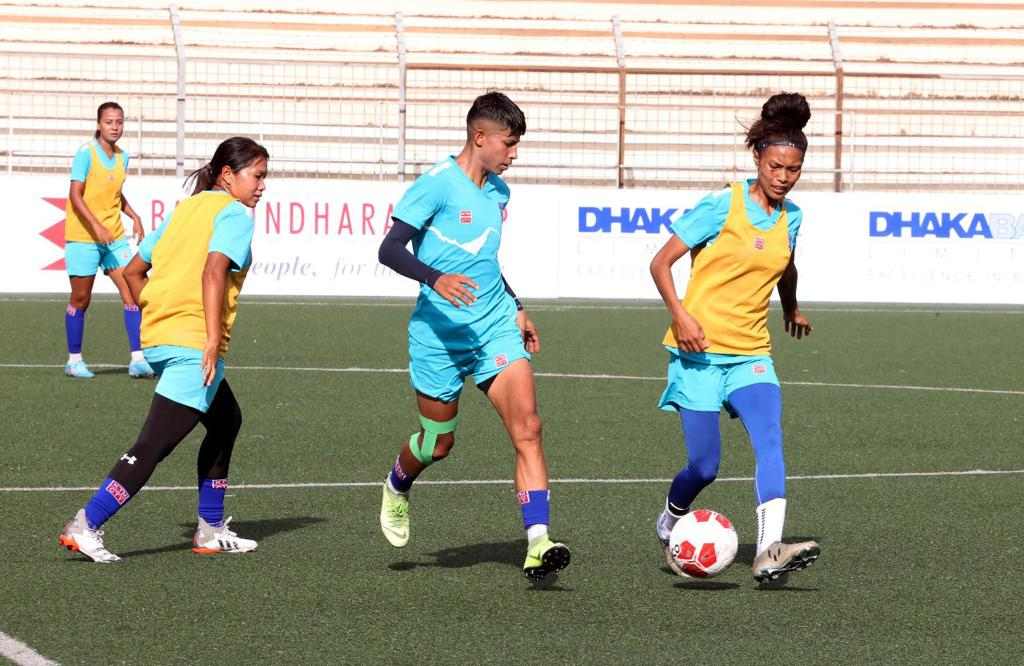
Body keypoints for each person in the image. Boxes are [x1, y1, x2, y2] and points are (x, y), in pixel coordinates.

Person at [376, 92, 570, 582]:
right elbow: (389, 249)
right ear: (479, 137)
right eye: (509, 143)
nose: (514, 154)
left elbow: (485, 259)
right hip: (438, 337)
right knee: (437, 444)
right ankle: (397, 485)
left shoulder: (498, 192)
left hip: (493, 328)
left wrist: (517, 306)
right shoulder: (436, 185)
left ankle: (538, 542)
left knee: (528, 428)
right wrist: (434, 278)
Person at [58, 137, 268, 562]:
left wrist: (158, 308)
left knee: (226, 421)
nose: (263, 186)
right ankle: (87, 523)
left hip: (159, 337)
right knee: (152, 445)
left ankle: (210, 529)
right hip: (193, 345)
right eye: (258, 176)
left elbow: (134, 271)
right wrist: (211, 339)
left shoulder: (185, 210)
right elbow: (213, 272)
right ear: (228, 175)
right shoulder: (234, 214)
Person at [649, 92, 821, 584]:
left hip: (751, 354)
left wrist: (791, 306)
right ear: (758, 159)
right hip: (699, 353)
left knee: (770, 440)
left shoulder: (792, 217)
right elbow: (660, 263)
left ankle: (769, 549)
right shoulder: (723, 204)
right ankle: (670, 518)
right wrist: (680, 316)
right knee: (704, 466)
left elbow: (786, 265)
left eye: (793, 169)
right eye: (775, 167)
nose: (783, 177)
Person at [63, 101, 154, 379]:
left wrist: (134, 215)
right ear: (99, 124)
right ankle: (74, 361)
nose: (115, 127)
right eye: (109, 122)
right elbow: (75, 194)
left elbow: (114, 194)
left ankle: (138, 359)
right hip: (83, 237)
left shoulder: (122, 157)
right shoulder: (86, 154)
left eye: (119, 122)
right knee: (81, 298)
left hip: (113, 237)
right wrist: (95, 226)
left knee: (133, 292)